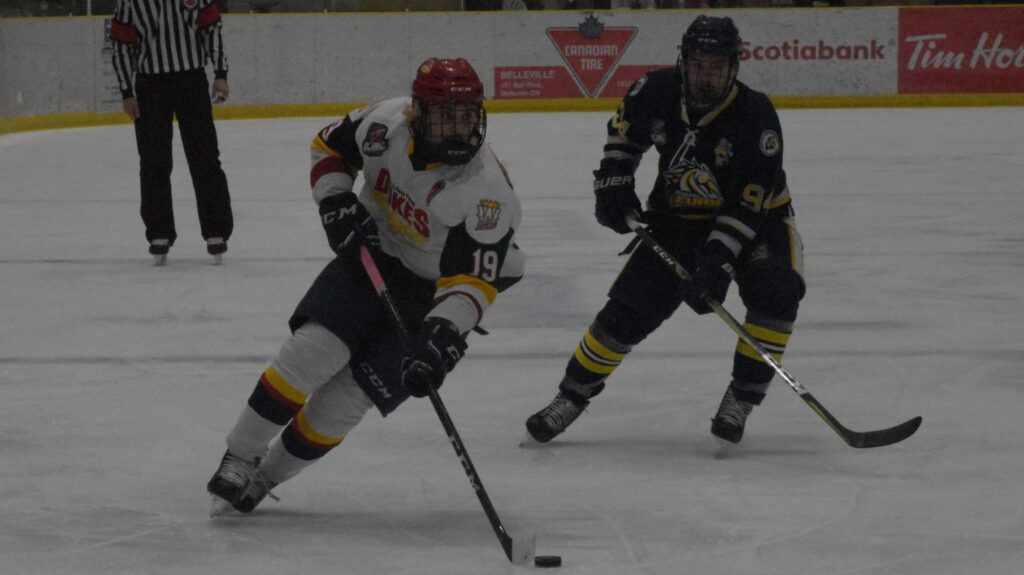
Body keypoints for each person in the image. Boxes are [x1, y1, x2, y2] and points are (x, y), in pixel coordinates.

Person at [205, 58, 525, 515]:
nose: (459, 129)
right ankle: (240, 455)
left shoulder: (488, 191)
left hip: (432, 295)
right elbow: (328, 147)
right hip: (371, 253)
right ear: (418, 111)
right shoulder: (384, 124)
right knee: (310, 352)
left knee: (346, 401)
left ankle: (268, 475)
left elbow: (472, 281)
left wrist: (442, 337)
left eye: (467, 115)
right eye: (445, 116)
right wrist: (335, 201)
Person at [525, 15, 805, 445]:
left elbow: (747, 205)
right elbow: (622, 139)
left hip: (758, 224)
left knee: (777, 291)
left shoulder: (756, 116)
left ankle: (743, 397)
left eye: (716, 67)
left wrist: (717, 260)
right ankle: (571, 397)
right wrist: (614, 184)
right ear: (684, 61)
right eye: (698, 65)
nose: (706, 76)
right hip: (676, 222)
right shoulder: (652, 90)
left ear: (734, 67)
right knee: (624, 314)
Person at [109, 0, 233, 265]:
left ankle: (216, 230)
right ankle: (159, 233)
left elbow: (212, 28)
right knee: (154, 161)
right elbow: (121, 44)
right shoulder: (130, 2)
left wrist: (220, 74)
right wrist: (126, 92)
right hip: (149, 84)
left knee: (205, 157)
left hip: (191, 80)